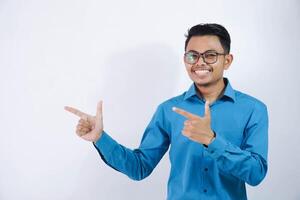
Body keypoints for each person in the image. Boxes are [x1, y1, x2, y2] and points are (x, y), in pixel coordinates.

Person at [65, 23, 268, 200]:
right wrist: (100, 138)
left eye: (210, 55)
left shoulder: (253, 109)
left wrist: (212, 140)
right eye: (192, 55)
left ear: (227, 60)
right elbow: (139, 167)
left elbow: (256, 174)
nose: (200, 62)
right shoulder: (169, 110)